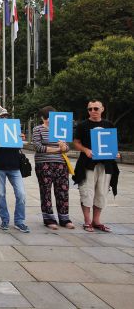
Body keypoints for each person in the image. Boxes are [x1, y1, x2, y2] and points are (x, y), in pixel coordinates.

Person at [73, 100, 120, 233]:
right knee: (87, 192)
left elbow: (112, 144)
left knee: (102, 193)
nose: (93, 111)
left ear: (102, 109)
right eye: (90, 109)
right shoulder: (83, 125)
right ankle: (87, 221)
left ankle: (97, 221)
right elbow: (76, 142)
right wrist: (85, 150)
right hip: (88, 164)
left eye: (96, 108)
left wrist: (115, 153)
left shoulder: (109, 125)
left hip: (106, 165)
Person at [0, 112, 30, 232]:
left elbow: (19, 146)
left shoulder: (14, 129)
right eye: (1, 116)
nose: (4, 118)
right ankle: (5, 219)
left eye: (6, 116)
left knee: (21, 194)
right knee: (1, 195)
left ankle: (19, 221)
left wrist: (22, 139)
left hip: (14, 167)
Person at [32, 106, 74, 230]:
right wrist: (57, 149)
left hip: (61, 164)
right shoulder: (38, 129)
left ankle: (64, 218)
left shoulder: (61, 129)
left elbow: (67, 148)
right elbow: (38, 147)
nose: (49, 120)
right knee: (45, 191)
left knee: (63, 191)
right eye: (47, 118)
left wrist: (63, 147)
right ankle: (49, 218)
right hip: (43, 163)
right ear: (43, 118)